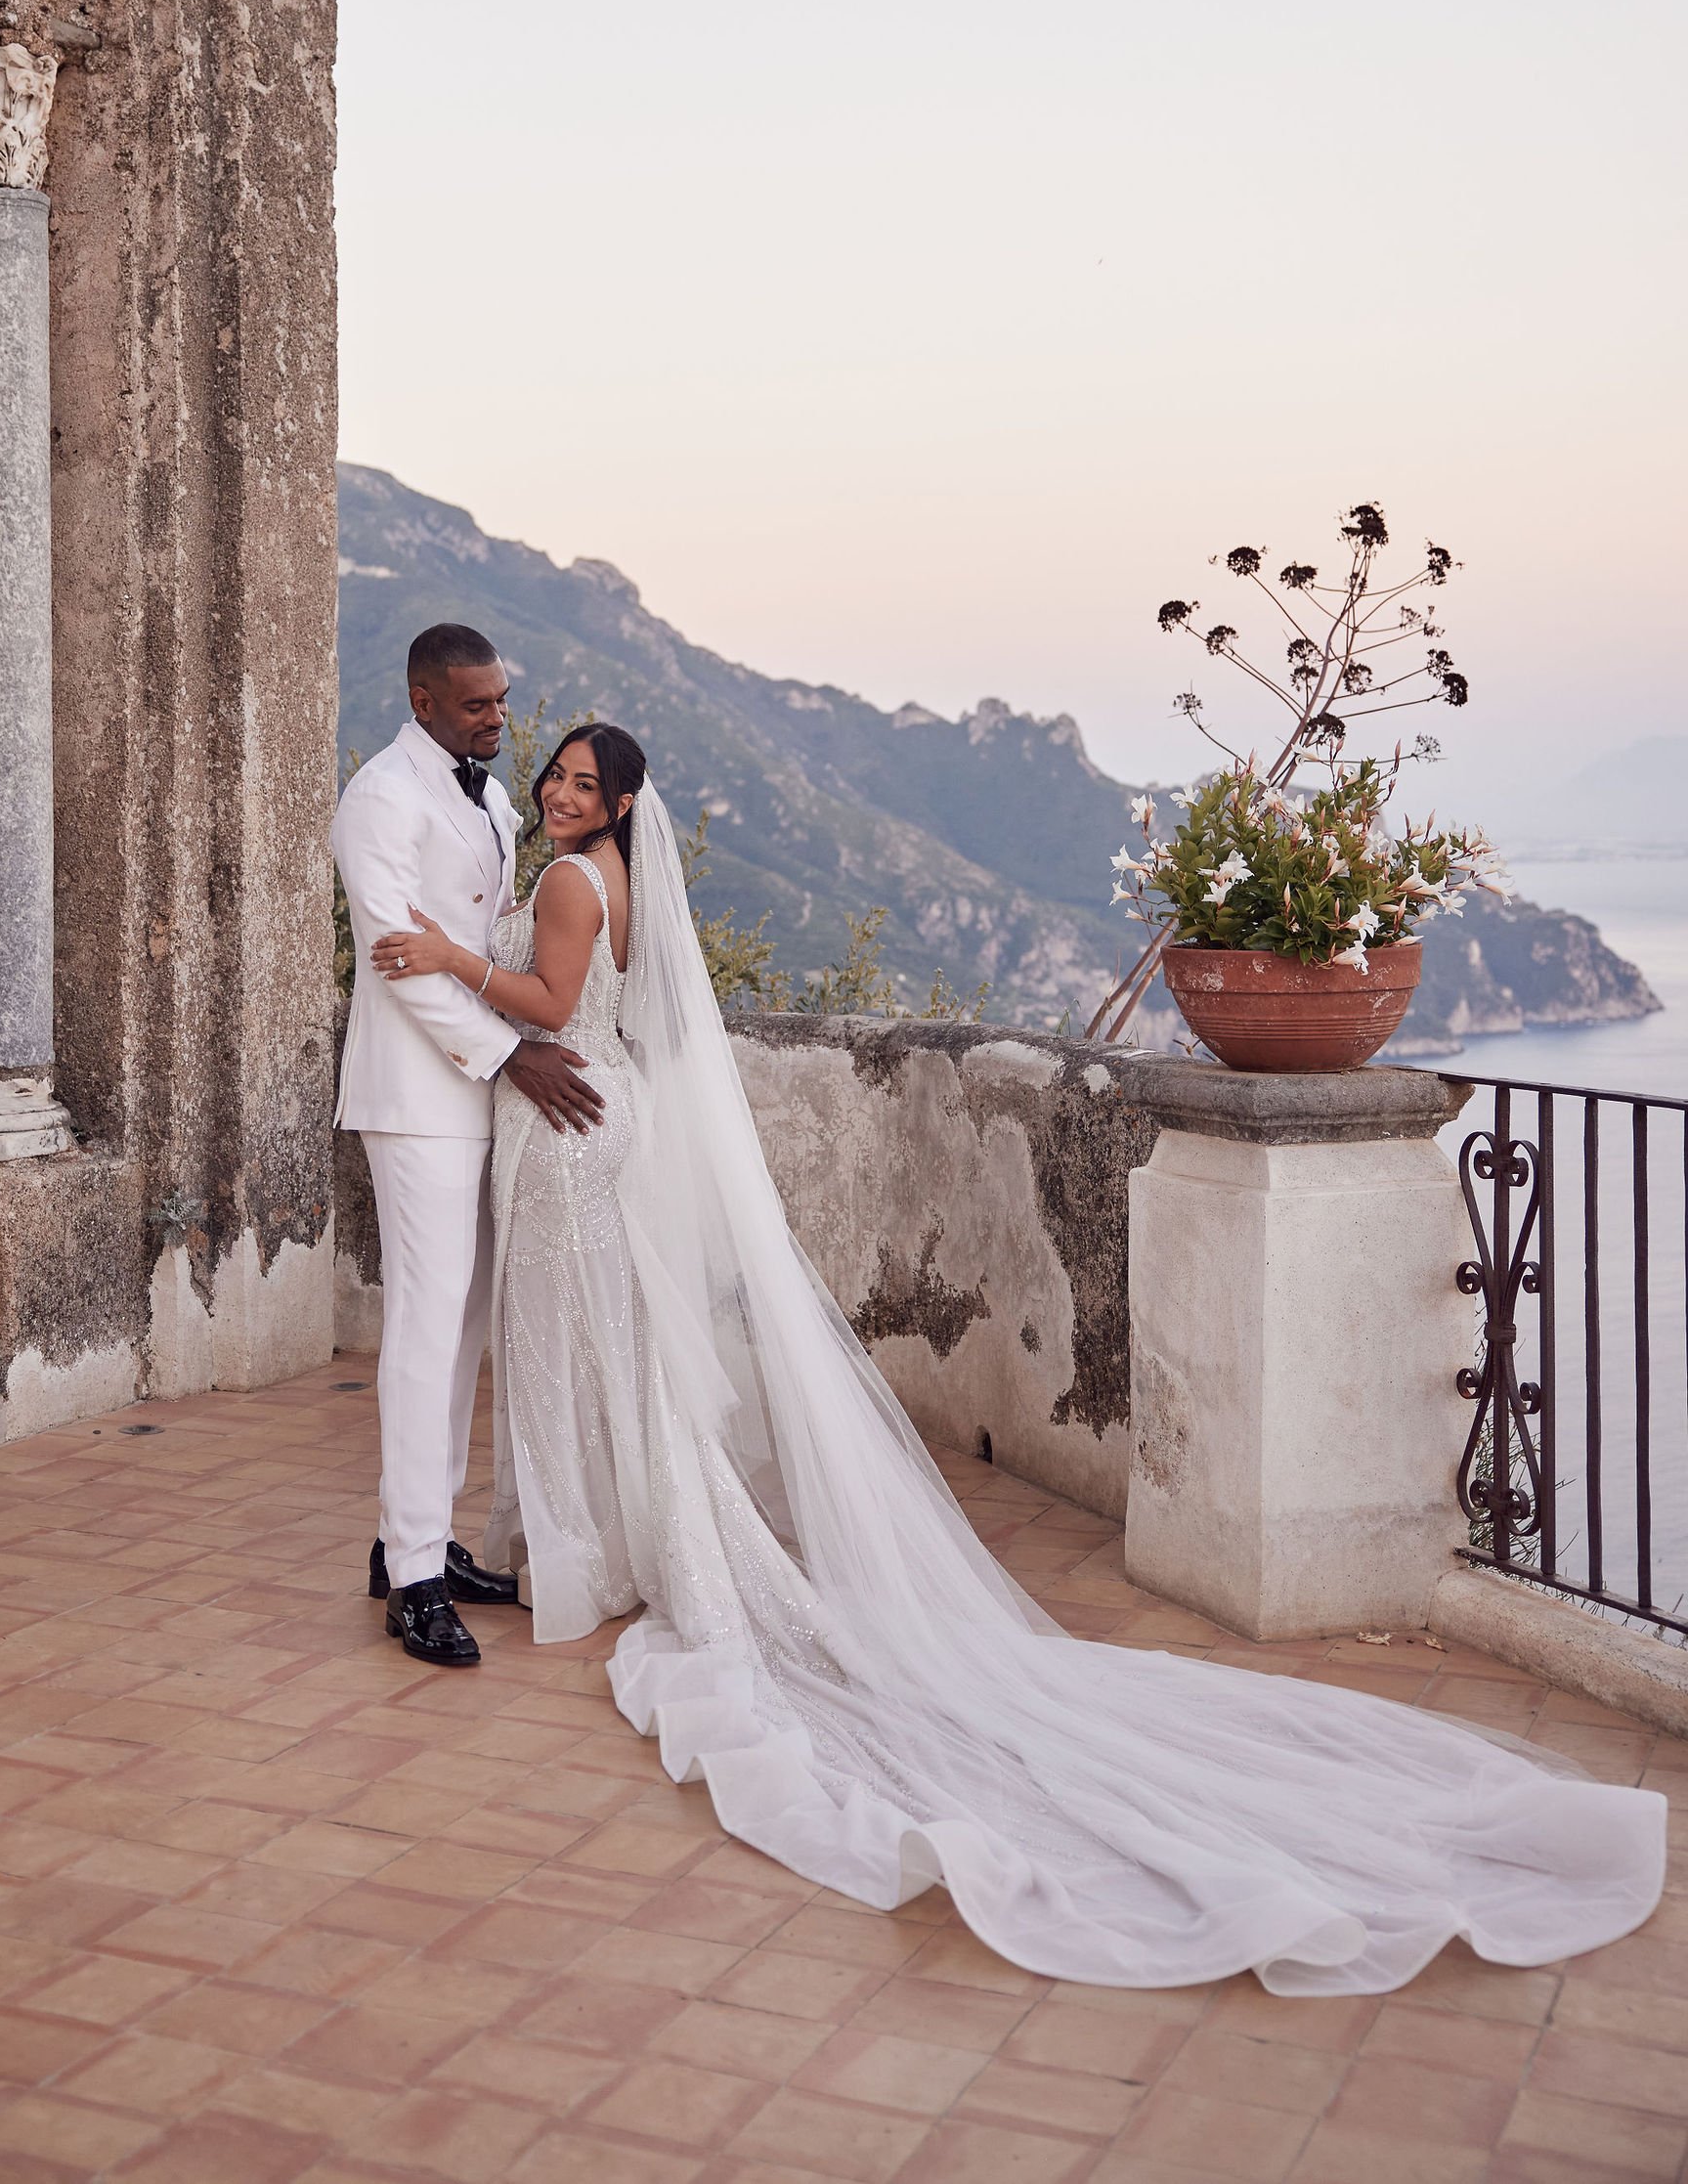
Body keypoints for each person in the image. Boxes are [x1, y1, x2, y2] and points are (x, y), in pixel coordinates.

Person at [371, 724, 1666, 1994]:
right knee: (621, 1348)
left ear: (619, 800)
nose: (555, 788)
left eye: (580, 780)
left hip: (567, 1128)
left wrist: (437, 951)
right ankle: (613, 1537)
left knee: (572, 1344)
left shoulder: (561, 878)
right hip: (616, 1116)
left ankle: (595, 1546)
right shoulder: (634, 879)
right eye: (553, 772)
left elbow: (547, 1003)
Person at [331, 624, 601, 1668]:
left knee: (461, 1328)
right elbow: (398, 960)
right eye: (479, 703)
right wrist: (507, 1056)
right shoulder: (379, 798)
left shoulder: (487, 797)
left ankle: (423, 1541)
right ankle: (409, 1577)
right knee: (423, 1327)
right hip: (415, 1097)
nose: (498, 718)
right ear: (423, 697)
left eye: (500, 699)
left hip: (483, 1095)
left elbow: (481, 942)